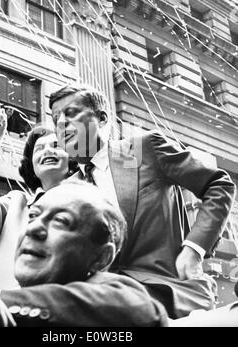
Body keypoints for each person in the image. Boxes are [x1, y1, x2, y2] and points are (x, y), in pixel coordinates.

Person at [49, 84, 236, 319]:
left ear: (102, 118)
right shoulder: (69, 189)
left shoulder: (140, 151)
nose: (61, 123)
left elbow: (218, 185)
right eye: (55, 118)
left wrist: (194, 249)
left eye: (71, 112)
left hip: (167, 294)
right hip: (102, 303)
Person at [0, 182, 168, 327]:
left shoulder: (124, 299)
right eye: (33, 216)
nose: (33, 229)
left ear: (101, 258)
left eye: (61, 221)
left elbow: (139, 313)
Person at [0, 93, 77, 290]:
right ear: (31, 165)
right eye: (39, 148)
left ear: (71, 160)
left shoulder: (85, 205)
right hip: (8, 313)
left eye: (56, 146)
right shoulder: (16, 204)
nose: (48, 152)